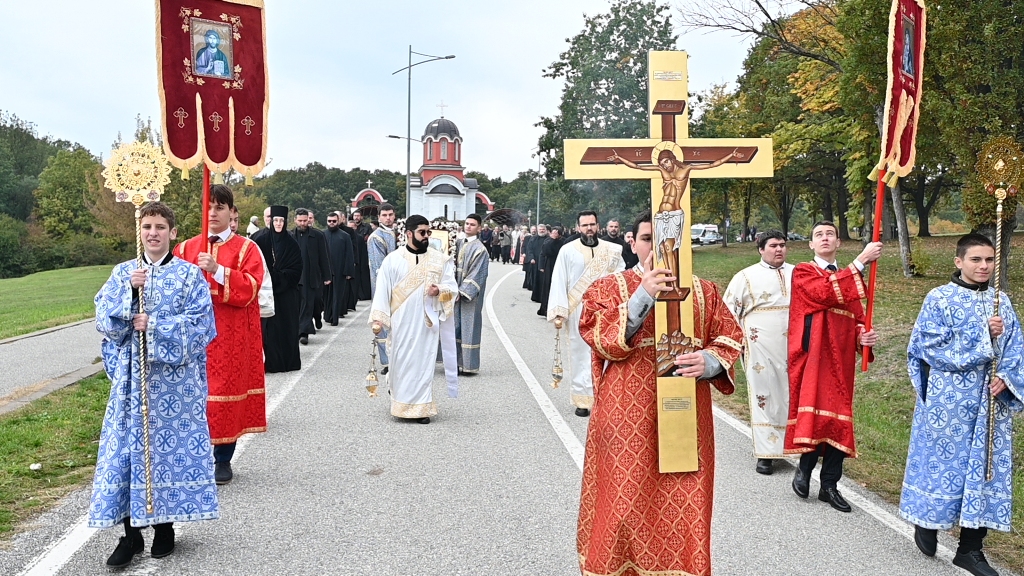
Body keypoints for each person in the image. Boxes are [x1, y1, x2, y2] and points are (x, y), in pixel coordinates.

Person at [577, 210, 744, 576]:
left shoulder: (705, 291)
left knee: (686, 500)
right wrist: (642, 296)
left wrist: (711, 360)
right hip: (625, 417)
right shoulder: (608, 288)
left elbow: (730, 336)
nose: (659, 246)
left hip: (687, 417)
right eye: (648, 238)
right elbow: (597, 335)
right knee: (624, 502)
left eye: (667, 239)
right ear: (632, 243)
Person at [90, 202, 217, 568]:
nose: (154, 233)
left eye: (161, 226)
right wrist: (129, 295)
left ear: (173, 232)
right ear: (139, 231)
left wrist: (156, 326)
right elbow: (106, 323)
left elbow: (202, 327)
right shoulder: (123, 272)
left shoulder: (190, 276)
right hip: (133, 382)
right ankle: (130, 535)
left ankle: (164, 528)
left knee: (165, 453)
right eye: (147, 226)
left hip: (176, 387)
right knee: (129, 451)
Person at [901, 233, 1023, 576]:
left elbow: (1016, 348)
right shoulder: (938, 299)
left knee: (985, 469)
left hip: (989, 403)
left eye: (988, 260)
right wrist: (982, 333)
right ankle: (928, 520)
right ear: (959, 262)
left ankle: (971, 548)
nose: (983, 266)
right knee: (945, 466)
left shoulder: (1003, 301)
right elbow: (928, 348)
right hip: (948, 401)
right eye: (975, 260)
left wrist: (1008, 377)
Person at [785, 221, 882, 512]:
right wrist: (862, 260)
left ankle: (830, 485)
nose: (825, 238)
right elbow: (825, 293)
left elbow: (856, 318)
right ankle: (804, 468)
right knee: (815, 415)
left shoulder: (850, 280)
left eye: (830, 234)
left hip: (840, 362)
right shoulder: (804, 272)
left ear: (838, 242)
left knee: (838, 419)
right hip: (813, 358)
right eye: (818, 235)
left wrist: (862, 336)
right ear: (811, 245)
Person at [173, 184, 265, 485]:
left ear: (231, 212)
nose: (213, 213)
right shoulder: (186, 248)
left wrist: (218, 270)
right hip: (192, 335)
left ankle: (223, 457)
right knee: (192, 394)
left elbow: (250, 288)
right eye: (208, 206)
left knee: (223, 394)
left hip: (229, 335)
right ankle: (192, 455)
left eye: (220, 207)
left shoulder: (246, 249)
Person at [369, 215, 458, 423]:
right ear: (409, 234)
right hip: (401, 322)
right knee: (400, 361)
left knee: (424, 361)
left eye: (428, 232)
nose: (426, 236)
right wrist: (379, 318)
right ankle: (399, 400)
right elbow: (382, 290)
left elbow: (452, 288)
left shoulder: (439, 259)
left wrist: (440, 290)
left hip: (426, 322)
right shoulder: (393, 260)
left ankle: (421, 408)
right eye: (422, 232)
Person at [723, 229, 794, 475]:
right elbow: (728, 312)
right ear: (761, 249)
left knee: (790, 395)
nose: (779, 250)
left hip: (794, 347)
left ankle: (792, 445)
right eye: (773, 245)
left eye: (782, 245)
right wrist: (736, 341)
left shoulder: (798, 273)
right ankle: (766, 454)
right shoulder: (745, 277)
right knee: (764, 394)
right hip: (759, 347)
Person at [547, 211, 625, 415]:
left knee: (607, 351)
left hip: (606, 310)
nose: (589, 228)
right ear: (578, 227)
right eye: (585, 225)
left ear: (598, 226)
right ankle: (583, 400)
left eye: (592, 224)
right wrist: (559, 310)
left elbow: (621, 279)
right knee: (580, 353)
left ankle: (606, 397)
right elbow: (558, 279)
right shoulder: (567, 250)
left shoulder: (612, 251)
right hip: (578, 310)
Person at [253, 206, 303, 373]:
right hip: (266, 292)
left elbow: (296, 269)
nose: (279, 223)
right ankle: (270, 363)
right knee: (269, 330)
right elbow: (254, 265)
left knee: (286, 328)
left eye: (282, 220)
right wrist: (268, 279)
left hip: (286, 294)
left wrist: (278, 278)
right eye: (276, 220)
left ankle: (287, 362)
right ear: (271, 220)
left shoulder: (291, 242)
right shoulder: (260, 240)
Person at [454, 214, 490, 374]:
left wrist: (462, 292)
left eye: (472, 224)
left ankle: (468, 365)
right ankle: (453, 362)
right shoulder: (457, 243)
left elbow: (477, 274)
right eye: (467, 224)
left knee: (469, 327)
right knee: (454, 326)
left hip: (469, 296)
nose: (468, 226)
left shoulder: (480, 249)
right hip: (453, 293)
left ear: (479, 228)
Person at [291, 208, 331, 345]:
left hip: (311, 276)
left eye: (305, 220)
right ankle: (298, 330)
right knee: (296, 305)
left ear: (309, 220)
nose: (303, 223)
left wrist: (327, 275)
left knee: (308, 304)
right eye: (300, 221)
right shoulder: (290, 236)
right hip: (294, 277)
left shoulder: (318, 236)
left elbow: (323, 257)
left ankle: (304, 332)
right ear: (295, 220)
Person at [368, 204, 398, 369]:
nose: (388, 218)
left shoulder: (399, 234)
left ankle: (399, 359)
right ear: (379, 217)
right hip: (383, 287)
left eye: (390, 215)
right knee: (383, 321)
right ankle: (387, 362)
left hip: (400, 287)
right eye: (384, 215)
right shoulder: (376, 237)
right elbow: (379, 267)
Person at [324, 211, 355, 325]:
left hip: (340, 269)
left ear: (338, 221)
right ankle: (327, 316)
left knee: (337, 294)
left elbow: (349, 254)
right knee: (326, 295)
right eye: (329, 221)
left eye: (334, 221)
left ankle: (335, 318)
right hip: (326, 270)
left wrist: (348, 271)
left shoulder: (345, 236)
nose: (331, 223)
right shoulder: (322, 235)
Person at [535, 225, 563, 315]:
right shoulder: (547, 241)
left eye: (556, 232)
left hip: (559, 265)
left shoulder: (563, 242)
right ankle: (545, 309)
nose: (554, 234)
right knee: (548, 287)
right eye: (553, 232)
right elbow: (544, 253)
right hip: (549, 265)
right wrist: (541, 266)